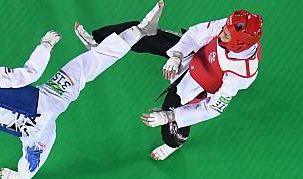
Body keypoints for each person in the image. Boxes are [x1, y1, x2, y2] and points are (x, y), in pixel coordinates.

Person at [0, 1, 164, 179]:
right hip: (48, 100)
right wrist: (44, 46)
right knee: (86, 65)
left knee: (32, 157)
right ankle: (140, 31)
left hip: (31, 128)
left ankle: (22, 177)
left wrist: (26, 129)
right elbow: (30, 74)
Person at [76, 10, 263, 161]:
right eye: (223, 28)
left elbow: (213, 108)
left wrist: (170, 116)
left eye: (226, 34)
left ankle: (173, 144)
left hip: (199, 83)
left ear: (239, 44)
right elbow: (197, 33)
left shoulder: (241, 72)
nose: (221, 31)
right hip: (194, 55)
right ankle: (99, 43)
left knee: (170, 120)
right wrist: (177, 55)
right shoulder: (231, 27)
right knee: (141, 32)